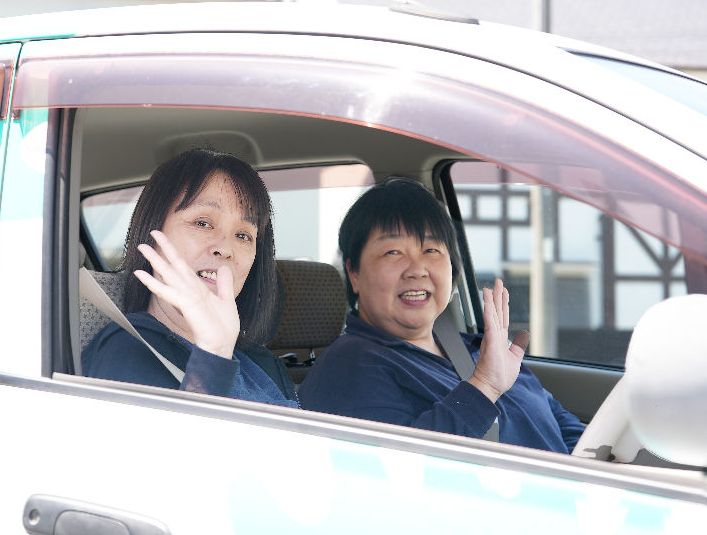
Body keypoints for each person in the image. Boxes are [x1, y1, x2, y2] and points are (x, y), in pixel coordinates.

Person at [298, 177, 584, 452]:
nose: (417, 269)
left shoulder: (479, 350)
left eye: (431, 249)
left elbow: (567, 434)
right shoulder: (348, 368)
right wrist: (484, 387)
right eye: (393, 252)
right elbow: (400, 469)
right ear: (354, 273)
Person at [82, 149, 297, 408]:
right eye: (202, 223)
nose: (225, 248)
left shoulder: (263, 363)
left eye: (243, 236)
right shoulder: (124, 351)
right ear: (153, 232)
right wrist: (214, 355)